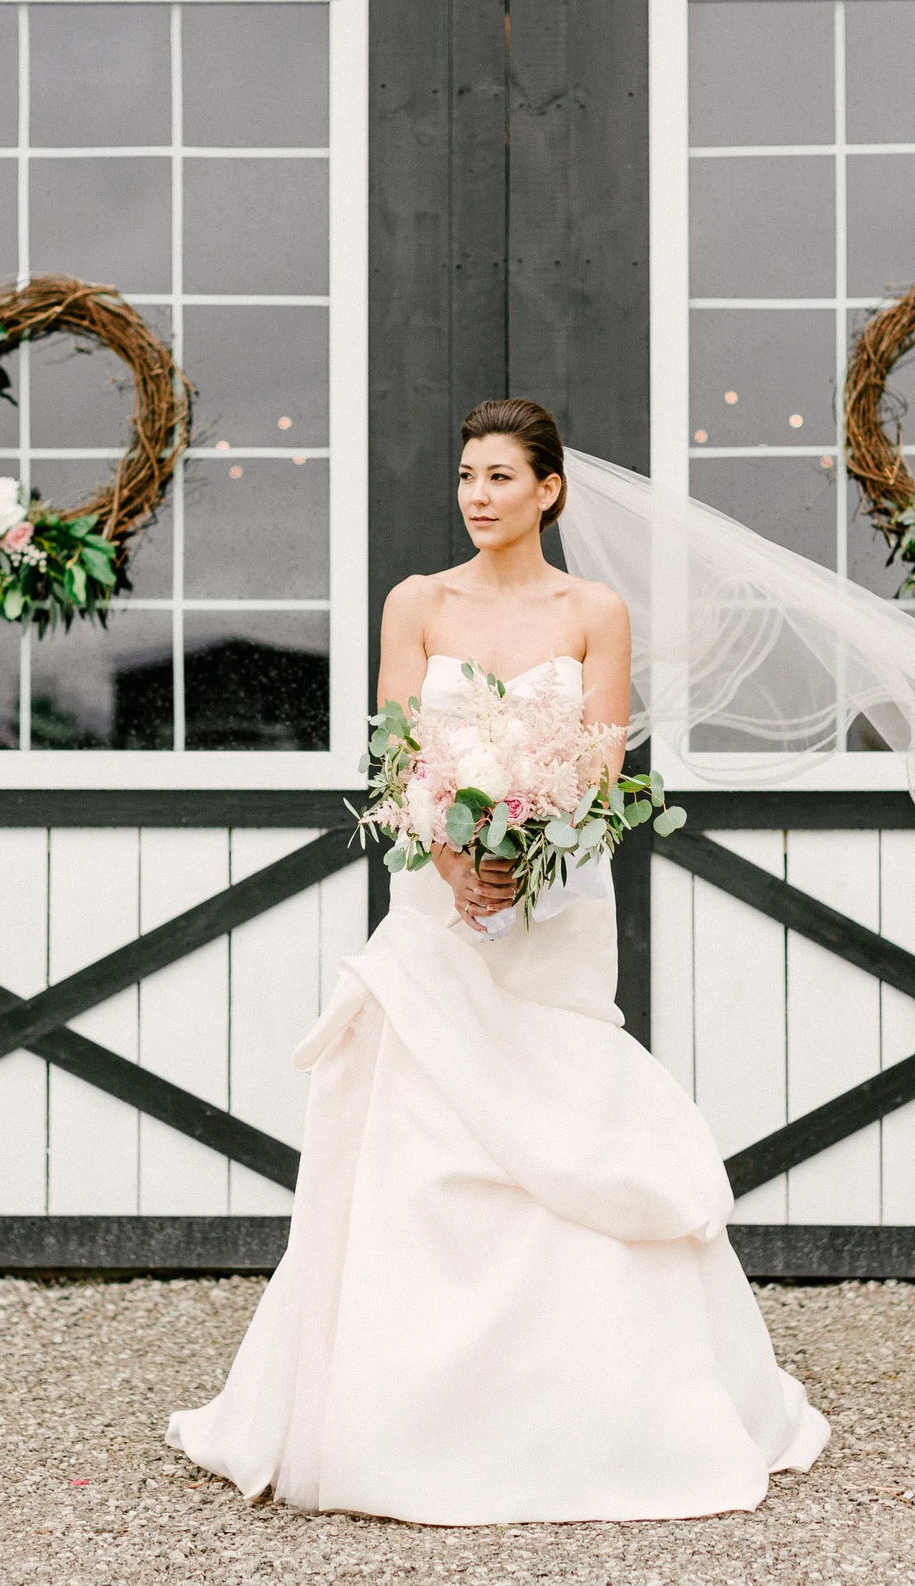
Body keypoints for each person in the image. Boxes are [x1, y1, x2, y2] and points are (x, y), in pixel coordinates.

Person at [165, 398, 832, 1524]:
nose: (477, 495)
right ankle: (404, 1412)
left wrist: (527, 854)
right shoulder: (417, 602)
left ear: (549, 490)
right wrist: (455, 850)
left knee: (566, 1104)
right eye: (467, 475)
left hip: (554, 900)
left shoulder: (595, 610)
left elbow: (605, 766)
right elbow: (393, 753)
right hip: (434, 895)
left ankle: (606, 1406)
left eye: (500, 476)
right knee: (424, 1124)